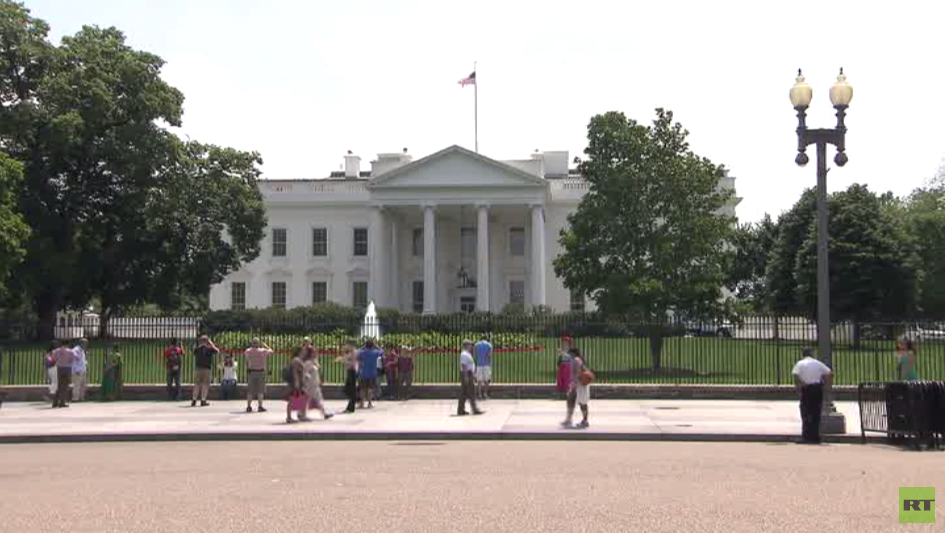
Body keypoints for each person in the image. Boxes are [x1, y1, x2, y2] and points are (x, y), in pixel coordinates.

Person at [792, 348, 832, 444]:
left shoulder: (800, 364)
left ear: (803, 355)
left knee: (805, 413)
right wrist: (824, 384)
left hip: (806, 388)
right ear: (812, 354)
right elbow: (829, 373)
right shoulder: (818, 363)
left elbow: (796, 376)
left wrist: (799, 388)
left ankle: (806, 436)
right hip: (817, 389)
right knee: (816, 413)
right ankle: (815, 437)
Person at [301, 338, 333, 420]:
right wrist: (307, 377)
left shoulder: (313, 362)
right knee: (314, 399)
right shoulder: (308, 363)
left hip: (314, 384)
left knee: (311, 399)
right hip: (310, 385)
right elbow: (304, 373)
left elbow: (317, 370)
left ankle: (301, 414)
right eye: (313, 352)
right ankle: (324, 413)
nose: (315, 353)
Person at [562, 348, 591, 429]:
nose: (569, 355)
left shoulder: (576, 360)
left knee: (582, 403)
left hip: (581, 384)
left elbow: (578, 373)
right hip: (579, 384)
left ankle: (585, 421)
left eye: (570, 353)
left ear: (573, 353)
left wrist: (573, 384)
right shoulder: (575, 359)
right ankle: (572, 420)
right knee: (578, 402)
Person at [244, 338, 273, 413]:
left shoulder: (247, 351)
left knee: (250, 391)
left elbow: (247, 360)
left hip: (251, 372)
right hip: (261, 372)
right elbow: (271, 351)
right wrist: (265, 345)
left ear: (252, 343)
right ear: (258, 343)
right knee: (260, 390)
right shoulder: (263, 351)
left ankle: (248, 406)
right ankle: (260, 406)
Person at [191, 335, 220, 407]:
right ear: (207, 341)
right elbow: (217, 351)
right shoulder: (209, 349)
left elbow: (193, 351)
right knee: (205, 384)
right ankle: (203, 400)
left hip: (198, 368)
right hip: (207, 368)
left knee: (197, 384)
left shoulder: (197, 349)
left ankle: (194, 400)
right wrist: (211, 343)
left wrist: (199, 344)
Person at [457, 340, 484, 416]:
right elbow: (464, 366)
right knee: (471, 391)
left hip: (469, 374)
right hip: (467, 374)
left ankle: (461, 410)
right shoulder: (464, 354)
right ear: (466, 345)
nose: (471, 346)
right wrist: (466, 376)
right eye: (470, 345)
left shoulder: (467, 354)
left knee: (464, 393)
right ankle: (475, 409)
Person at [335, 340, 359, 413]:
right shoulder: (350, 352)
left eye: (347, 345)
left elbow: (352, 363)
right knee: (347, 390)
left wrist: (343, 360)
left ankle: (351, 406)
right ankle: (352, 403)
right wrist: (342, 359)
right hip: (350, 371)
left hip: (352, 371)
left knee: (351, 390)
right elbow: (345, 358)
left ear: (351, 345)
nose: (346, 346)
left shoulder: (354, 352)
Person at [51, 340, 75, 408]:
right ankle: (62, 402)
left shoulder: (56, 351)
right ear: (67, 344)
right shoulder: (70, 351)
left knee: (59, 386)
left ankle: (55, 402)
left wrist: (59, 361)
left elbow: (53, 359)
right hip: (67, 368)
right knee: (64, 387)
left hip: (59, 368)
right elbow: (72, 360)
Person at [357, 339, 381, 409]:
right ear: (372, 346)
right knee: (370, 389)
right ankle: (369, 403)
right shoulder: (375, 352)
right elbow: (382, 351)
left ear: (366, 345)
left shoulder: (362, 352)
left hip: (363, 373)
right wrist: (377, 346)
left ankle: (361, 403)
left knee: (362, 389)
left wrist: (363, 347)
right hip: (372, 373)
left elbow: (357, 352)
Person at [285, 348, 307, 424]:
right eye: (303, 351)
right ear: (299, 352)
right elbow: (295, 372)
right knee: (292, 400)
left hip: (299, 383)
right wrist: (297, 383)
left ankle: (300, 415)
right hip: (296, 383)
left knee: (301, 399)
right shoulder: (296, 360)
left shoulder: (298, 360)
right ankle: (289, 417)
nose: (305, 352)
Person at [474, 335, 493, 400]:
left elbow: (475, 356)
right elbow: (489, 355)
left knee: (479, 381)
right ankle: (485, 394)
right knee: (486, 380)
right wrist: (490, 363)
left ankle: (479, 395)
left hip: (479, 364)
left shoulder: (476, 345)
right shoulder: (489, 345)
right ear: (486, 339)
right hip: (486, 364)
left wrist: (476, 363)